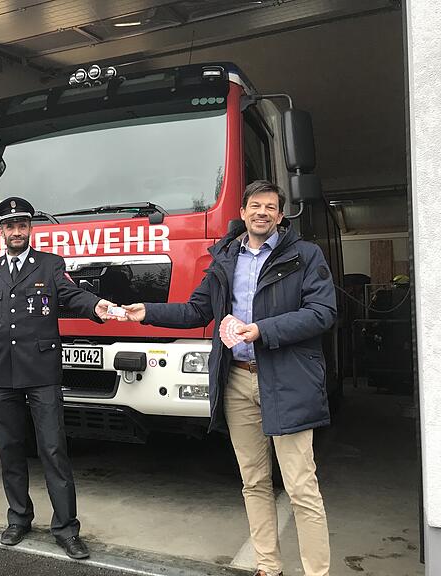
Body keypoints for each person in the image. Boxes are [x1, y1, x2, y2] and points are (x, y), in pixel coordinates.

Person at [120, 181, 336, 576]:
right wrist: (146, 312)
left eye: (270, 207)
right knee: (254, 482)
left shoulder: (305, 256)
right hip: (236, 381)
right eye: (256, 206)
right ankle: (268, 567)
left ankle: (317, 573)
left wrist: (261, 330)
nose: (262, 213)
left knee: (302, 488)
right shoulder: (225, 258)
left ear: (280, 216)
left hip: (287, 380)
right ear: (244, 211)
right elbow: (195, 311)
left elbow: (322, 313)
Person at [0, 196, 115, 560]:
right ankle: (18, 518)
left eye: (22, 226)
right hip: (0, 373)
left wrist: (97, 306)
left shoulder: (49, 265)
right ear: (0, 231)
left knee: (53, 449)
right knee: (10, 449)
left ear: (29, 230)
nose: (16, 232)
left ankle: (66, 527)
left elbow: (71, 295)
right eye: (10, 226)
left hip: (41, 373)